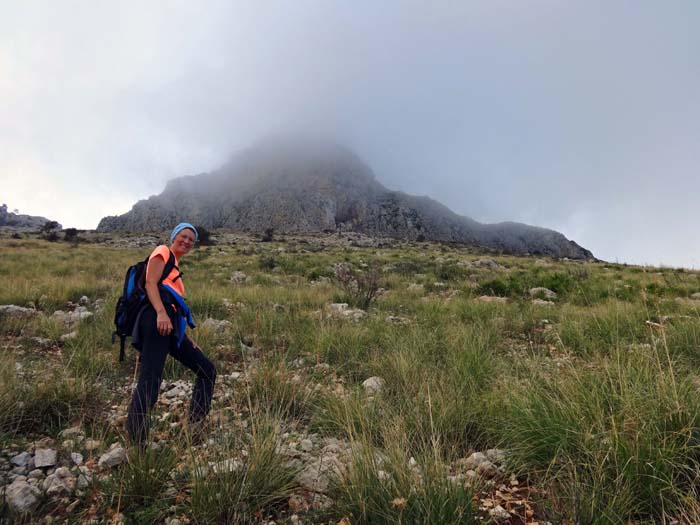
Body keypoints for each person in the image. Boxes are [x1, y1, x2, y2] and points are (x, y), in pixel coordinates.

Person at [126, 223, 217, 447]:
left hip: (169, 327)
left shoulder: (175, 267)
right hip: (155, 320)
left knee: (207, 370)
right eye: (183, 236)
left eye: (191, 240)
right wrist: (160, 313)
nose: (186, 242)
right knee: (150, 380)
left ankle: (195, 425)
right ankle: (136, 441)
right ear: (174, 236)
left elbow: (174, 308)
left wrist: (186, 338)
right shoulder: (162, 252)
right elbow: (150, 283)